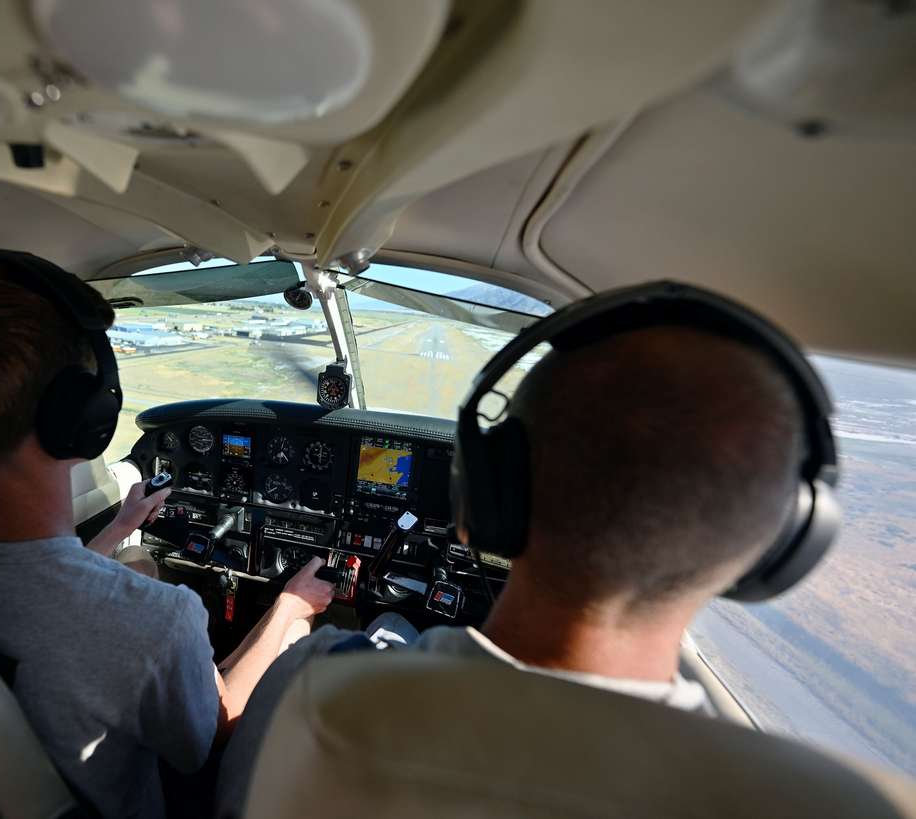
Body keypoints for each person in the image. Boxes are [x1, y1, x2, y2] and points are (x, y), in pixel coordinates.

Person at [216, 319, 807, 815]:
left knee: (392, 632)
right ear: (770, 554)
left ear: (480, 500)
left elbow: (232, 799)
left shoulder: (318, 679)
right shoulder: (806, 799)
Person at [0, 252, 335, 819]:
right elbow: (214, 735)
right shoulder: (153, 618)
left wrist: (120, 529)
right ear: (85, 410)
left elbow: (39, 580)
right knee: (315, 646)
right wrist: (290, 605)